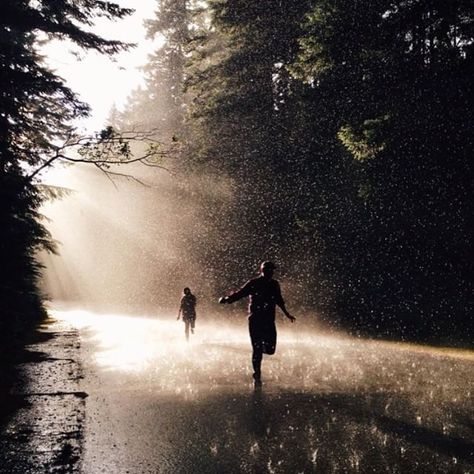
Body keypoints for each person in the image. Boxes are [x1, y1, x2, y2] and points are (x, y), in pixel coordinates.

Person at [219, 261, 295, 386]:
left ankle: (259, 353)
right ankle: (257, 372)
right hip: (255, 320)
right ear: (262, 271)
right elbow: (240, 294)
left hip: (269, 320)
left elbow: (279, 300)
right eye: (268, 270)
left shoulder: (275, 284)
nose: (271, 272)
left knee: (270, 350)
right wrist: (227, 300)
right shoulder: (254, 283)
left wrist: (287, 314)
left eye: (272, 270)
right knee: (257, 348)